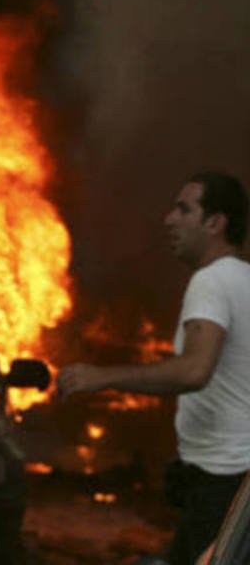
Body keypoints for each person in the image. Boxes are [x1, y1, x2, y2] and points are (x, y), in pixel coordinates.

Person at [58, 171, 250, 565]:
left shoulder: (211, 282)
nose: (169, 219)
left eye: (184, 209)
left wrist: (102, 377)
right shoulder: (244, 280)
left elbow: (194, 370)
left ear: (216, 223)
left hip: (222, 480)